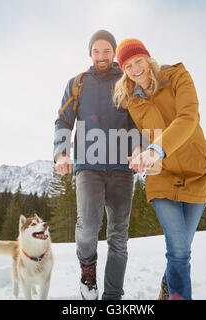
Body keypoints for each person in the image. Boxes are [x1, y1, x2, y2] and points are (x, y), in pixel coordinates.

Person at [113, 38, 206, 300]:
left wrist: (155, 148)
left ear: (148, 58)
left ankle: (168, 286)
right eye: (128, 66)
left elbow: (188, 117)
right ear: (123, 70)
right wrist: (137, 148)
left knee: (183, 248)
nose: (136, 70)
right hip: (162, 176)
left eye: (139, 61)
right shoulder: (129, 100)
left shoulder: (178, 76)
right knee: (178, 251)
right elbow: (132, 131)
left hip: (197, 172)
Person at [53, 30, 141, 300]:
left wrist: (139, 146)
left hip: (122, 169)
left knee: (118, 236)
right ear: (89, 53)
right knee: (88, 228)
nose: (102, 56)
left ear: (114, 52)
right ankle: (87, 273)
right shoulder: (77, 84)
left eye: (106, 51)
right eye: (96, 51)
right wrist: (61, 153)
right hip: (88, 167)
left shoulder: (127, 81)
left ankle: (113, 296)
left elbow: (138, 121)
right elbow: (63, 122)